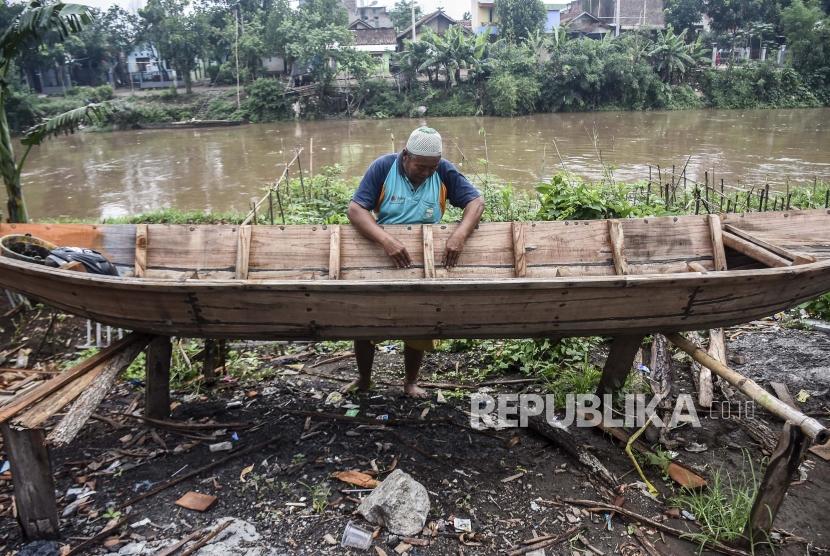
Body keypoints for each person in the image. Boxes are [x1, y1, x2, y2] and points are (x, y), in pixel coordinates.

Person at [347, 126, 485, 397]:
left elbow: (476, 203)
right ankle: (364, 379)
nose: (426, 173)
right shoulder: (384, 167)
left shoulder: (443, 170)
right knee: (366, 323)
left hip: (425, 257)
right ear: (406, 155)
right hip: (384, 256)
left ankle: (410, 383)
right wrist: (385, 241)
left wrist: (459, 234)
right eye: (421, 167)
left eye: (431, 168)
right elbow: (356, 210)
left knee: (418, 322)